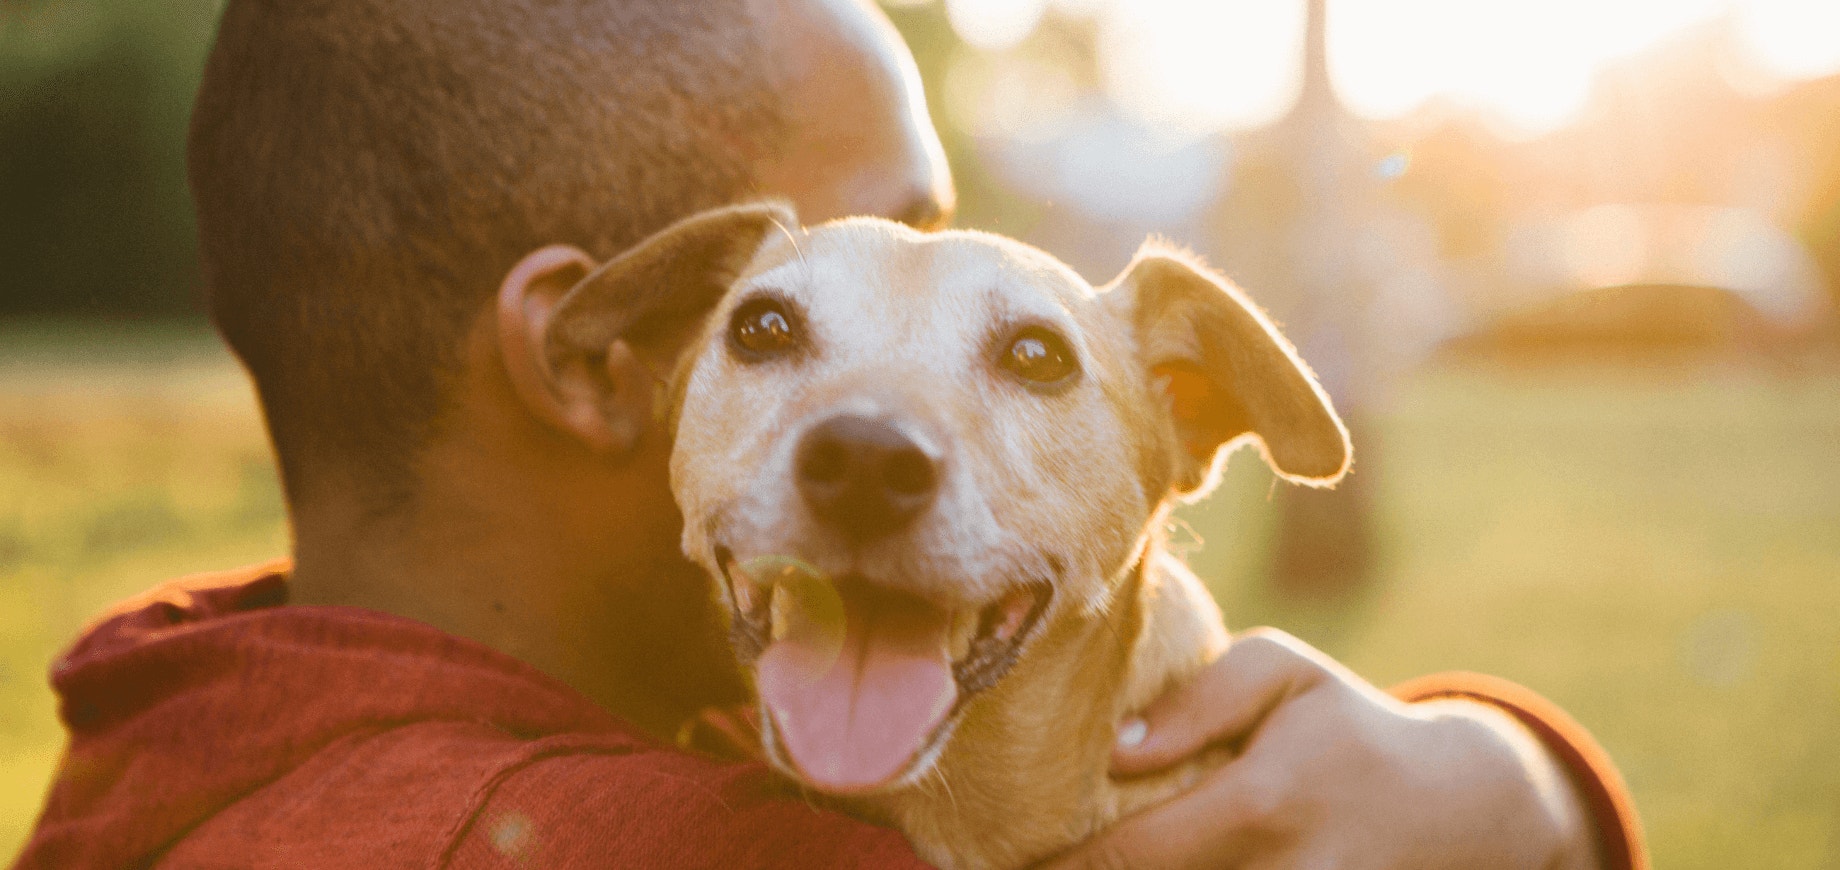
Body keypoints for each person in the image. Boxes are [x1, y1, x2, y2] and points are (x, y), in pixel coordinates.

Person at [12, 0, 1644, 867]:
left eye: (1016, 350)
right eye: (785, 320)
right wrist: (1521, 802)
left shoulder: (214, 716)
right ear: (607, 357)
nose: (882, 428)